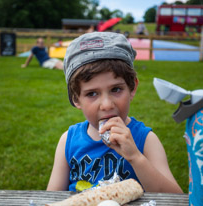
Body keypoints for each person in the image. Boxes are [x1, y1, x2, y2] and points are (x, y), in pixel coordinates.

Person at [47, 32, 183, 193]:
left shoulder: (145, 140)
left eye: (116, 89)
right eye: (92, 94)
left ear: (132, 88)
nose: (106, 105)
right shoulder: (68, 141)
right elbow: (53, 197)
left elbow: (175, 198)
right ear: (76, 99)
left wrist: (135, 157)